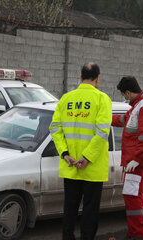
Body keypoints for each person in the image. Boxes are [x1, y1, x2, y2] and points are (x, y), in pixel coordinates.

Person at [49, 62, 112, 240]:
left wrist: (65, 154)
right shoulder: (102, 99)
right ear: (98, 79)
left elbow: (54, 128)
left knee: (69, 208)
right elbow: (102, 132)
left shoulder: (66, 99)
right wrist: (87, 157)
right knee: (90, 211)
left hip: (70, 165)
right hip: (92, 167)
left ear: (80, 77)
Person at [112, 76, 143, 240]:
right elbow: (124, 120)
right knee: (131, 195)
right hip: (134, 161)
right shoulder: (139, 105)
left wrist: (137, 159)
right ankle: (134, 233)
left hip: (137, 162)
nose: (124, 98)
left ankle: (139, 235)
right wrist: (104, 119)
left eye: (124, 95)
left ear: (127, 92)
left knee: (132, 197)